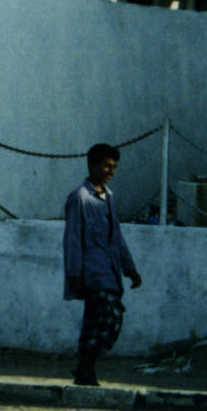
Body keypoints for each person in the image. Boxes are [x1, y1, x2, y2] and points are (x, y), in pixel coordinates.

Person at [62, 142, 142, 387]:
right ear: (92, 164)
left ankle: (85, 372)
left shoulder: (108, 198)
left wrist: (130, 268)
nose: (111, 171)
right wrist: (74, 274)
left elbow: (116, 237)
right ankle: (85, 368)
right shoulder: (80, 198)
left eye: (114, 166)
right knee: (110, 316)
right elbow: (72, 239)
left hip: (110, 271)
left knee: (94, 322)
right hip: (92, 273)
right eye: (106, 165)